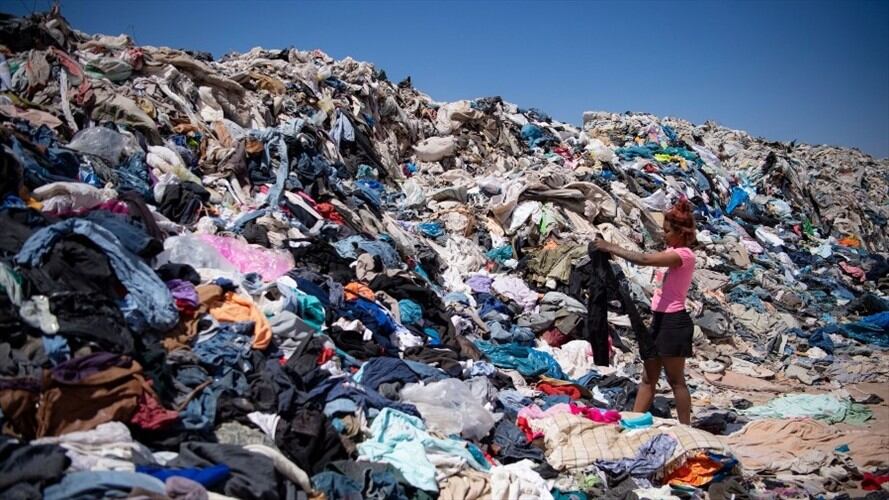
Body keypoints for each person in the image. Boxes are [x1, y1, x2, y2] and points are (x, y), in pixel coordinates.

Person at [592, 198, 697, 424]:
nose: (664, 235)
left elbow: (644, 259)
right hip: (658, 321)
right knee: (648, 377)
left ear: (681, 233)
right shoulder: (672, 250)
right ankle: (632, 422)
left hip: (674, 322)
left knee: (676, 380)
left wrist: (610, 247)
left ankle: (686, 427)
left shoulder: (684, 255)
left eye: (668, 231)